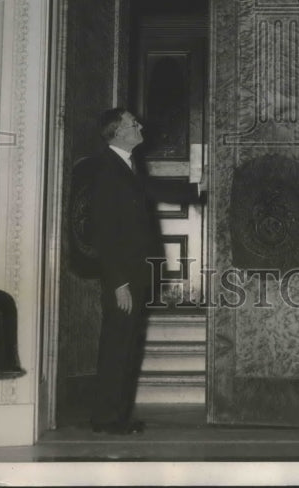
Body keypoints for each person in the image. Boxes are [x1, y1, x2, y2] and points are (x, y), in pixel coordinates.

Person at [89, 107, 206, 434]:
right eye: (132, 123)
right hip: (123, 278)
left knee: (126, 347)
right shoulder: (105, 170)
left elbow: (154, 190)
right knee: (116, 348)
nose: (140, 125)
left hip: (135, 273)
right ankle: (106, 418)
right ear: (117, 132)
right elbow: (103, 234)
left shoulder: (126, 165)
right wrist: (118, 283)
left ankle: (117, 416)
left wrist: (198, 190)